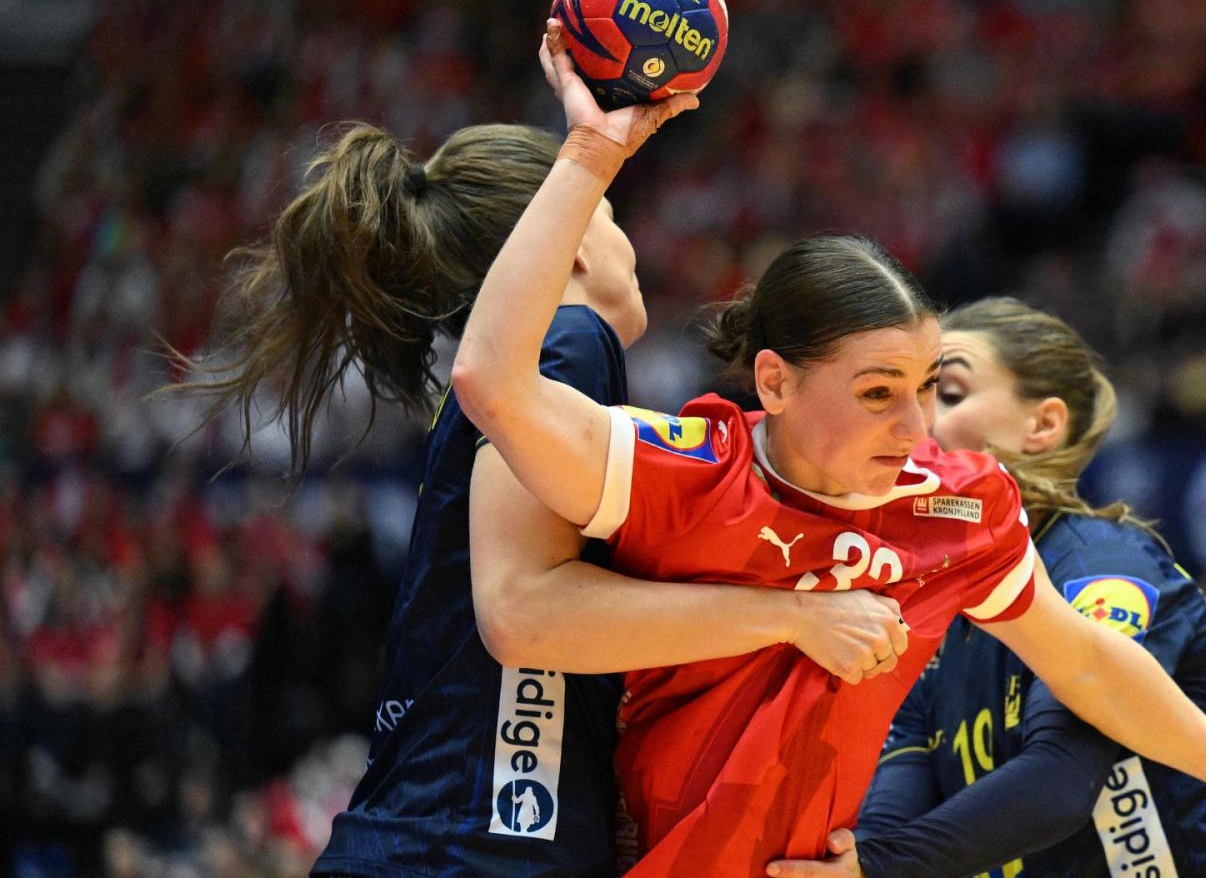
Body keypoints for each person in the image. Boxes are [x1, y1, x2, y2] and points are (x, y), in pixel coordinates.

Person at [446, 22, 1206, 877]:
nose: (915, 428)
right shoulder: (683, 465)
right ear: (777, 383)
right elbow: (491, 383)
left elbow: (1086, 664)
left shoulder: (956, 505)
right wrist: (589, 153)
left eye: (927, 390)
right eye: (878, 394)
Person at [175, 120, 909, 876]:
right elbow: (525, 614)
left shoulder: (549, 370)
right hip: (471, 849)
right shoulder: (569, 338)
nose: (630, 246)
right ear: (581, 239)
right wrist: (796, 618)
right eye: (615, 217)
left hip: (449, 838)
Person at [791, 297, 1206, 877]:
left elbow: (1062, 778)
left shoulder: (1103, 563)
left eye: (946, 392)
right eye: (906, 394)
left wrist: (874, 867)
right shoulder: (940, 598)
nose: (917, 421)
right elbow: (898, 796)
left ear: (1043, 425)